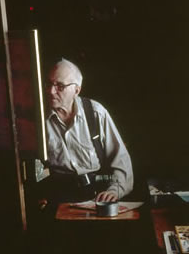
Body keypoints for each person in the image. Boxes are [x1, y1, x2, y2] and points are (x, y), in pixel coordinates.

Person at [44, 58, 133, 203]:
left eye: (60, 86)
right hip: (57, 198)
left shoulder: (96, 113)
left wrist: (114, 191)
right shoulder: (37, 118)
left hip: (96, 195)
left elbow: (120, 159)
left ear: (76, 90)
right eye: (49, 84)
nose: (51, 91)